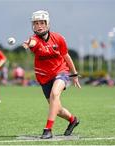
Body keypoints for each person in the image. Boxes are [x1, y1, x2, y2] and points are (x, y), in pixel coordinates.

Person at [23, 10, 81, 139]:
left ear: (47, 24)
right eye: (36, 23)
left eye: (41, 23)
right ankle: (73, 120)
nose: (39, 26)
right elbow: (32, 42)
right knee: (57, 108)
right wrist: (27, 43)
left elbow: (66, 56)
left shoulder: (58, 38)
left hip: (61, 71)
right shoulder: (34, 40)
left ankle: (47, 130)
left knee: (55, 94)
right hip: (44, 77)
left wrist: (74, 74)